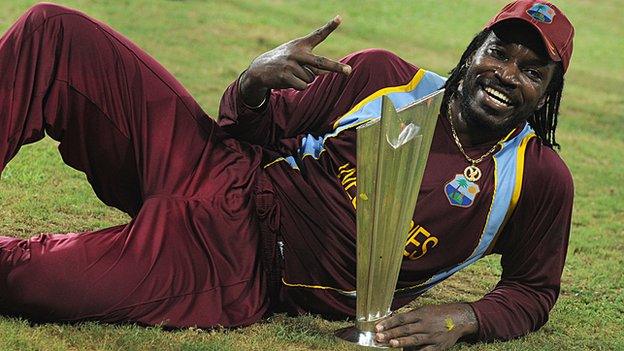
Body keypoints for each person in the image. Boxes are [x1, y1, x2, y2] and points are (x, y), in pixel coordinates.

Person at [0, 1, 574, 349]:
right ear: (475, 50)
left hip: (239, 263)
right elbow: (247, 129)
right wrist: (254, 82)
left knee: (29, 282)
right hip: (217, 167)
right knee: (52, 32)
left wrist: (466, 317)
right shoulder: (384, 76)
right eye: (499, 53)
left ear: (549, 92)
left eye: (531, 70)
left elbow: (534, 288)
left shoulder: (537, 179)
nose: (507, 75)